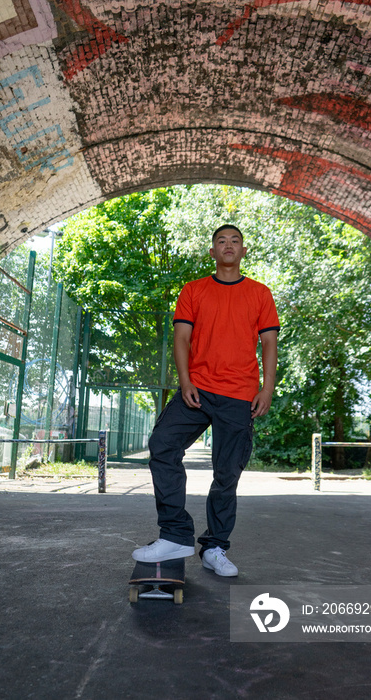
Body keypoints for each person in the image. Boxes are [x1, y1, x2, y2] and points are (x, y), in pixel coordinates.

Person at [132, 224, 280, 576]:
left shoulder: (260, 294)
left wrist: (267, 388)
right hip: (197, 389)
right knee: (163, 443)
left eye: (235, 241)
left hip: (240, 394)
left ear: (243, 251)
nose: (228, 245)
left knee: (227, 474)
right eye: (221, 241)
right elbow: (182, 339)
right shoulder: (194, 291)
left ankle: (214, 547)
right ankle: (175, 534)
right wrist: (184, 382)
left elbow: (269, 344)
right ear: (212, 252)